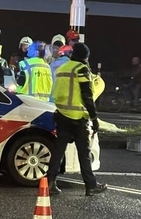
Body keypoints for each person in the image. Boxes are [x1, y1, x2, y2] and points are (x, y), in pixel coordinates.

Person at [46, 43, 107, 197]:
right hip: (78, 117)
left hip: (61, 114)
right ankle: (91, 185)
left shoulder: (63, 69)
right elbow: (87, 95)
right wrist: (94, 118)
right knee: (84, 153)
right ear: (85, 57)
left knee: (58, 150)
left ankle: (50, 183)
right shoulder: (81, 69)